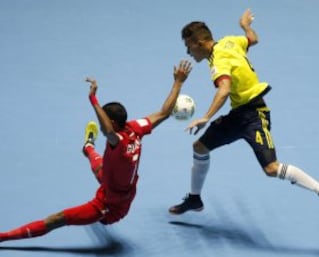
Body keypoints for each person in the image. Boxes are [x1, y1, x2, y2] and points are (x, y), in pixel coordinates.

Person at [168, 9, 319, 220]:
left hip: (254, 116)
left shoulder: (219, 61)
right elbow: (252, 40)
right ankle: (195, 199)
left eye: (188, 46)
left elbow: (223, 90)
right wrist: (245, 27)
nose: (188, 52)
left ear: (199, 42)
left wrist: (206, 117)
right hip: (238, 114)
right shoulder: (230, 41)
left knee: (271, 168)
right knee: (200, 148)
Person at [0, 60, 192, 243]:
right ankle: (89, 146)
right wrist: (178, 82)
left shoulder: (118, 141)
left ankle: (3, 237)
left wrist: (93, 99)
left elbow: (108, 131)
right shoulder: (135, 127)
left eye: (105, 121)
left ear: (113, 124)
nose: (103, 125)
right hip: (115, 183)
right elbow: (163, 113)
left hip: (110, 206)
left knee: (56, 219)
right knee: (99, 165)